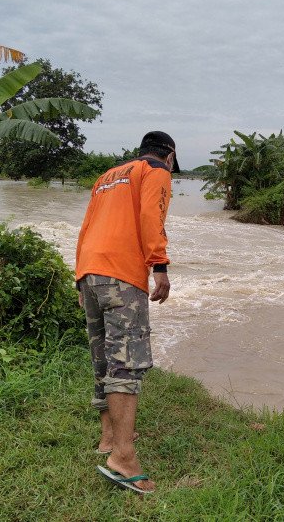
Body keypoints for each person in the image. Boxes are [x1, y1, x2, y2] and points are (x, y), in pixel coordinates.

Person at [75, 131, 178, 494]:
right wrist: (160, 264)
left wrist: (79, 276)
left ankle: (107, 437)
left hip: (89, 270)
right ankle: (123, 458)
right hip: (121, 274)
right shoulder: (156, 171)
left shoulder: (106, 177)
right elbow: (152, 215)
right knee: (126, 361)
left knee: (102, 356)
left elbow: (86, 226)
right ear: (169, 156)